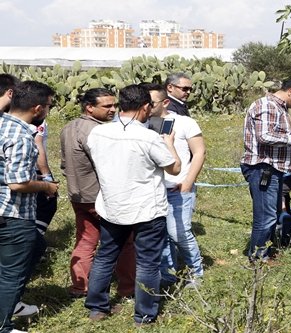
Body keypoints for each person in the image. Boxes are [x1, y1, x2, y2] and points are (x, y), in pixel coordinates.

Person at [84, 84, 181, 326]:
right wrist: (168, 142)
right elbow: (174, 167)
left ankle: (97, 307)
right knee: (148, 262)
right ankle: (144, 314)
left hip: (112, 206)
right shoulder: (148, 137)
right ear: (145, 107)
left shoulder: (98, 133)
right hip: (146, 209)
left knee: (105, 256)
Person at [60, 88, 136, 299]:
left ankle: (80, 286)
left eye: (115, 105)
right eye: (107, 106)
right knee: (125, 242)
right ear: (89, 107)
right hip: (100, 196)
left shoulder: (68, 127)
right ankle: (128, 289)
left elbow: (65, 164)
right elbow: (108, 164)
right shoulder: (98, 132)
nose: (113, 110)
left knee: (85, 241)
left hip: (78, 194)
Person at [240, 76, 291, 261]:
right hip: (263, 169)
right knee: (266, 216)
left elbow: (275, 138)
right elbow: (265, 136)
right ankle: (258, 258)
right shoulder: (268, 106)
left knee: (272, 213)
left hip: (272, 168)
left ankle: (264, 251)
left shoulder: (278, 108)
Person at [0, 80, 59, 333]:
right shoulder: (22, 135)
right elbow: (18, 183)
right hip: (13, 213)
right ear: (37, 108)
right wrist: (47, 187)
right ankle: (4, 324)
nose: (47, 110)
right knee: (12, 273)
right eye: (47, 106)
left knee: (36, 246)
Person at [142, 83, 206, 287]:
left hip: (178, 188)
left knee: (178, 231)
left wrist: (188, 182)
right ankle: (167, 273)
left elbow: (199, 153)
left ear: (165, 102)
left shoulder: (185, 123)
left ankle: (196, 271)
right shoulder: (140, 124)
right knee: (161, 233)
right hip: (152, 189)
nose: (147, 107)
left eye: (151, 103)